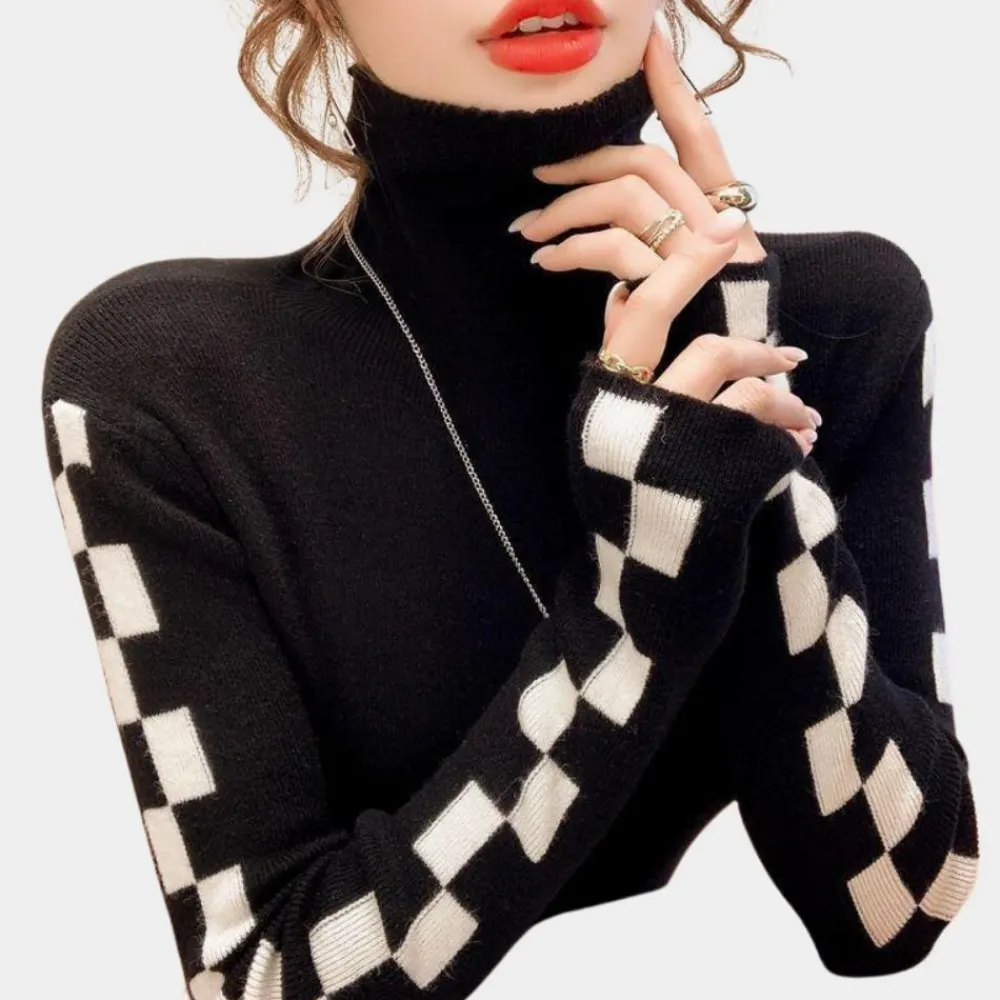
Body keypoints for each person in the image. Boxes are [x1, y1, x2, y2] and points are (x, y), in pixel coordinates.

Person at [40, 2, 979, 997]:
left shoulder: (846, 313)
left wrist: (743, 393)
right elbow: (265, 979)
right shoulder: (164, 386)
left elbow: (897, 903)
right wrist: (640, 590)